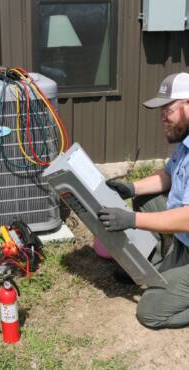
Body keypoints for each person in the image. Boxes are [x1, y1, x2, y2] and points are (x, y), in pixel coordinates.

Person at [98, 72, 189, 329]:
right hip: (185, 240)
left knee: (150, 311)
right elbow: (169, 175)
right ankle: (161, 261)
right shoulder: (185, 143)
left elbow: (187, 218)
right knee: (145, 199)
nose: (161, 115)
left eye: (167, 108)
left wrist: (132, 220)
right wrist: (131, 188)